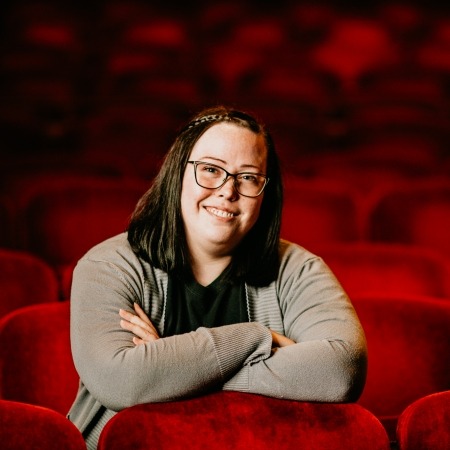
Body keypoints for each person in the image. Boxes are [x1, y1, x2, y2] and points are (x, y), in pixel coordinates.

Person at [67, 105, 367, 449]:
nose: (228, 190)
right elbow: (121, 380)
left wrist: (168, 365)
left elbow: (341, 371)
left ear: (265, 193)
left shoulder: (298, 269)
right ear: (177, 173)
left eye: (248, 177)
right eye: (211, 170)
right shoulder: (109, 265)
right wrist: (256, 338)